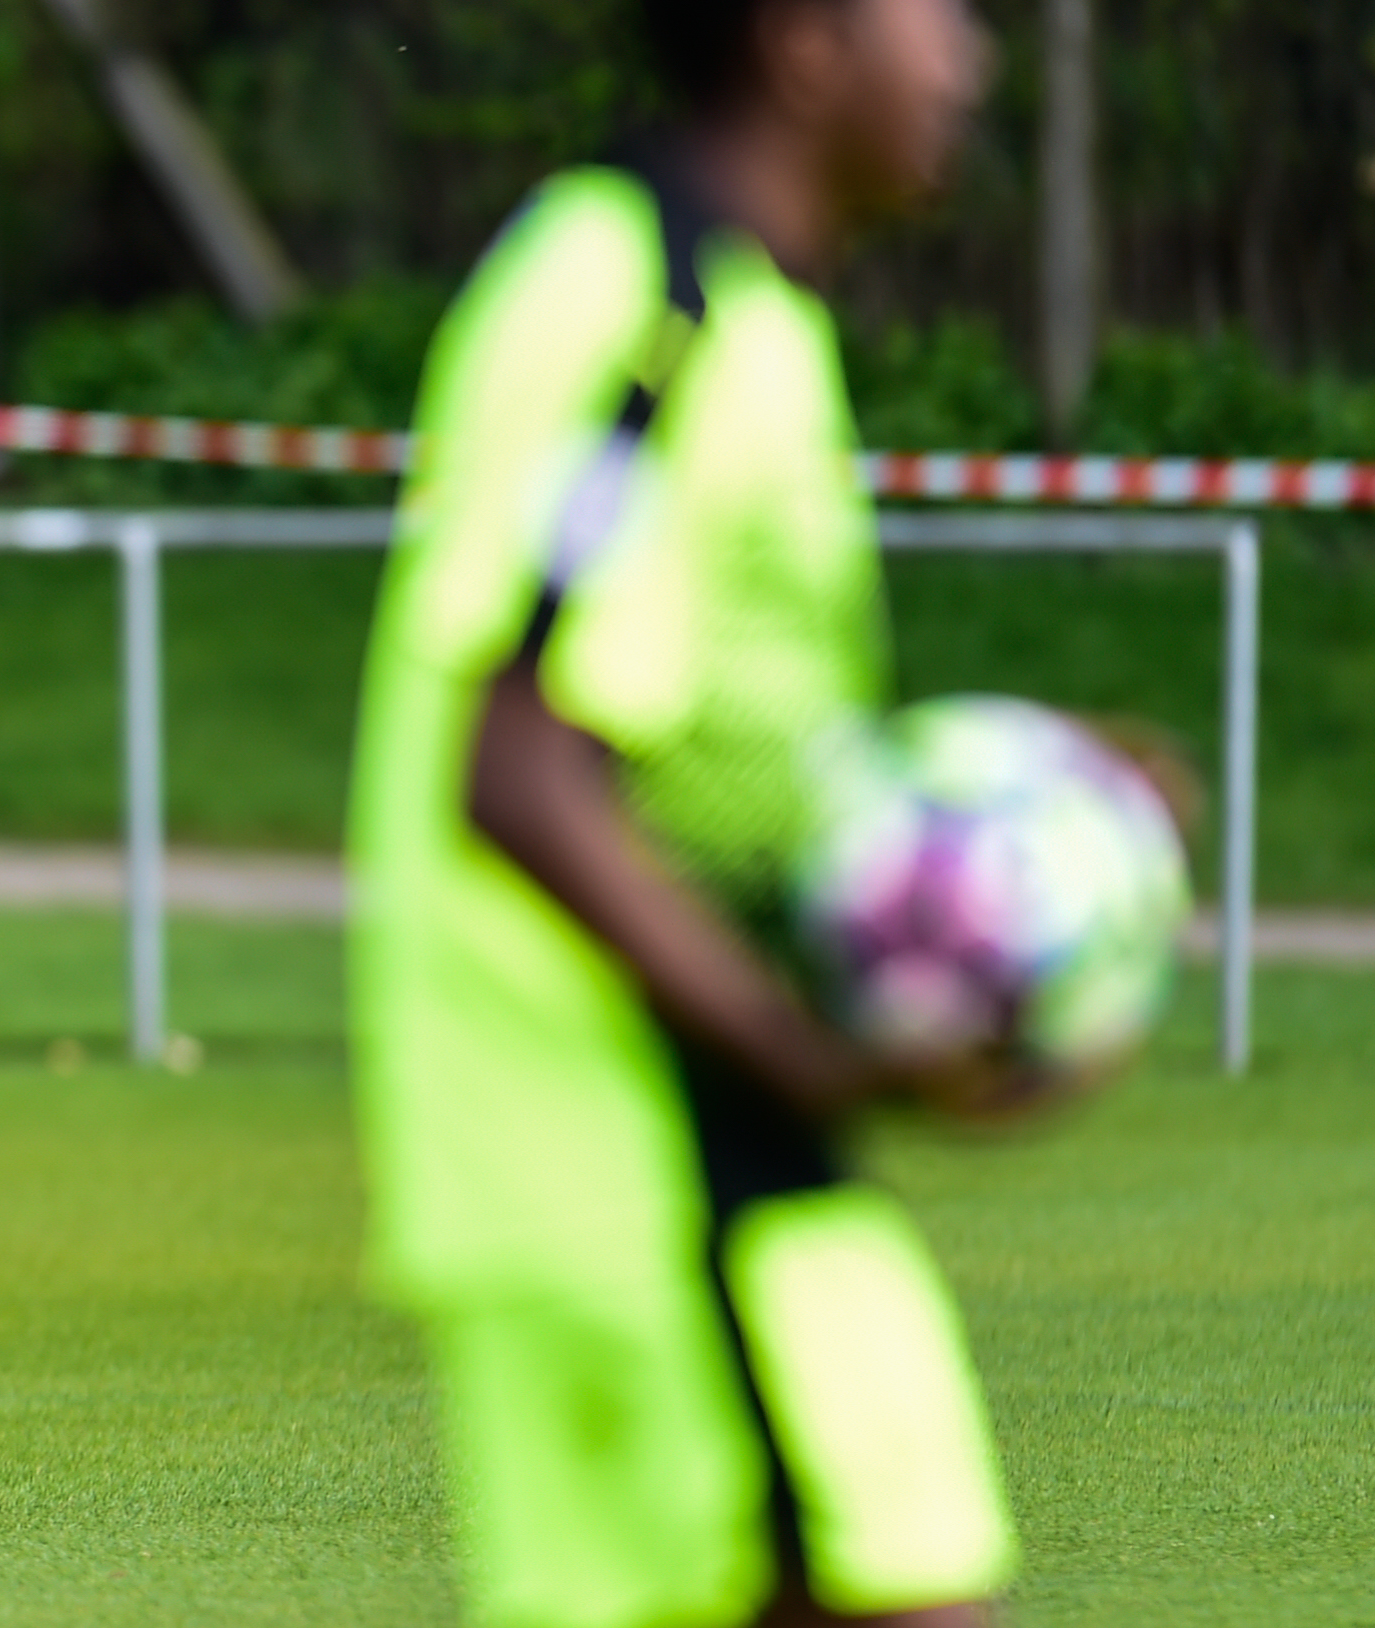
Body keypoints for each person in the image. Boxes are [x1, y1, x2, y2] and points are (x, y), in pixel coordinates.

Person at [346, 2, 1011, 1623]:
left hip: (705, 1152)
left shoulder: (731, 307)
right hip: (631, 1160)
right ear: (801, 43)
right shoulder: (652, 307)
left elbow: (700, 751)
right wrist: (809, 1052)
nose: (966, 61)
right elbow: (516, 771)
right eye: (932, 12)